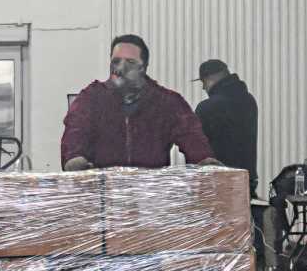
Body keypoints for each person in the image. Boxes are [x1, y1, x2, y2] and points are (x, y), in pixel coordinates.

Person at [61, 35, 218, 170]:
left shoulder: (166, 103)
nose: (120, 68)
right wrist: (74, 159)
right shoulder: (91, 99)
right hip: (103, 196)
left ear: (143, 67)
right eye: (116, 61)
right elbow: (75, 132)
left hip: (150, 196)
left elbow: (191, 136)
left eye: (130, 62)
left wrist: (204, 160)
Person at [194, 59, 259, 196]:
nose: (203, 88)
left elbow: (196, 150)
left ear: (209, 79)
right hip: (246, 180)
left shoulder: (207, 108)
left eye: (203, 83)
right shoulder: (249, 101)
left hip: (217, 184)